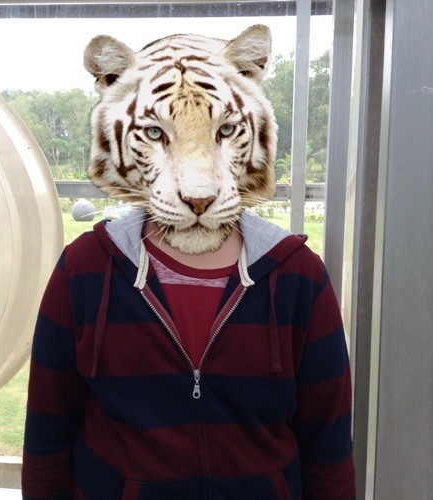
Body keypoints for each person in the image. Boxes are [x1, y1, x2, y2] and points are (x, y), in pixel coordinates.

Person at [22, 26, 356, 499]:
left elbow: (328, 449)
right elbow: (47, 438)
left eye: (226, 131)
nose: (199, 189)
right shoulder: (85, 270)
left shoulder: (298, 276)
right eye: (154, 132)